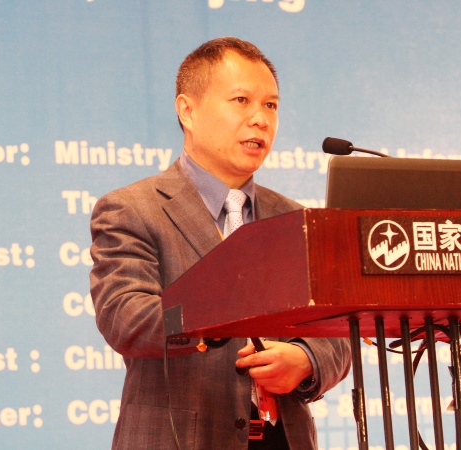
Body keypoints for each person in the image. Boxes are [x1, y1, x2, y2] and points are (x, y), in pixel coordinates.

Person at [90, 37, 351, 450]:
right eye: (241, 100)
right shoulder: (132, 209)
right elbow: (126, 318)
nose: (260, 119)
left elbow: (336, 333)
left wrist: (306, 358)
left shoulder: (295, 219)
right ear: (187, 110)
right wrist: (217, 314)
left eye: (270, 105)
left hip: (282, 440)